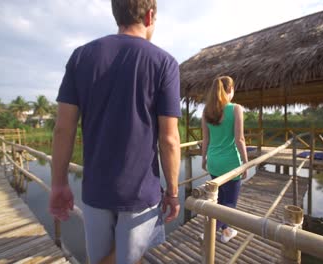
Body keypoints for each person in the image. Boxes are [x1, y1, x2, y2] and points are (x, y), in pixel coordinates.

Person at [48, 0, 181, 263]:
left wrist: (59, 183)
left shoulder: (81, 56)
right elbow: (169, 139)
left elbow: (63, 129)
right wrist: (173, 193)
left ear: (116, 13)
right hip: (140, 194)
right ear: (150, 16)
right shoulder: (164, 63)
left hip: (96, 190)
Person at [201, 76, 248, 243]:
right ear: (230, 90)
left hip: (213, 162)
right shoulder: (236, 109)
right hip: (230, 163)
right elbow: (240, 139)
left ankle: (226, 231)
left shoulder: (206, 112)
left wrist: (203, 159)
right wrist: (246, 163)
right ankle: (209, 232)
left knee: (219, 199)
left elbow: (205, 140)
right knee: (229, 204)